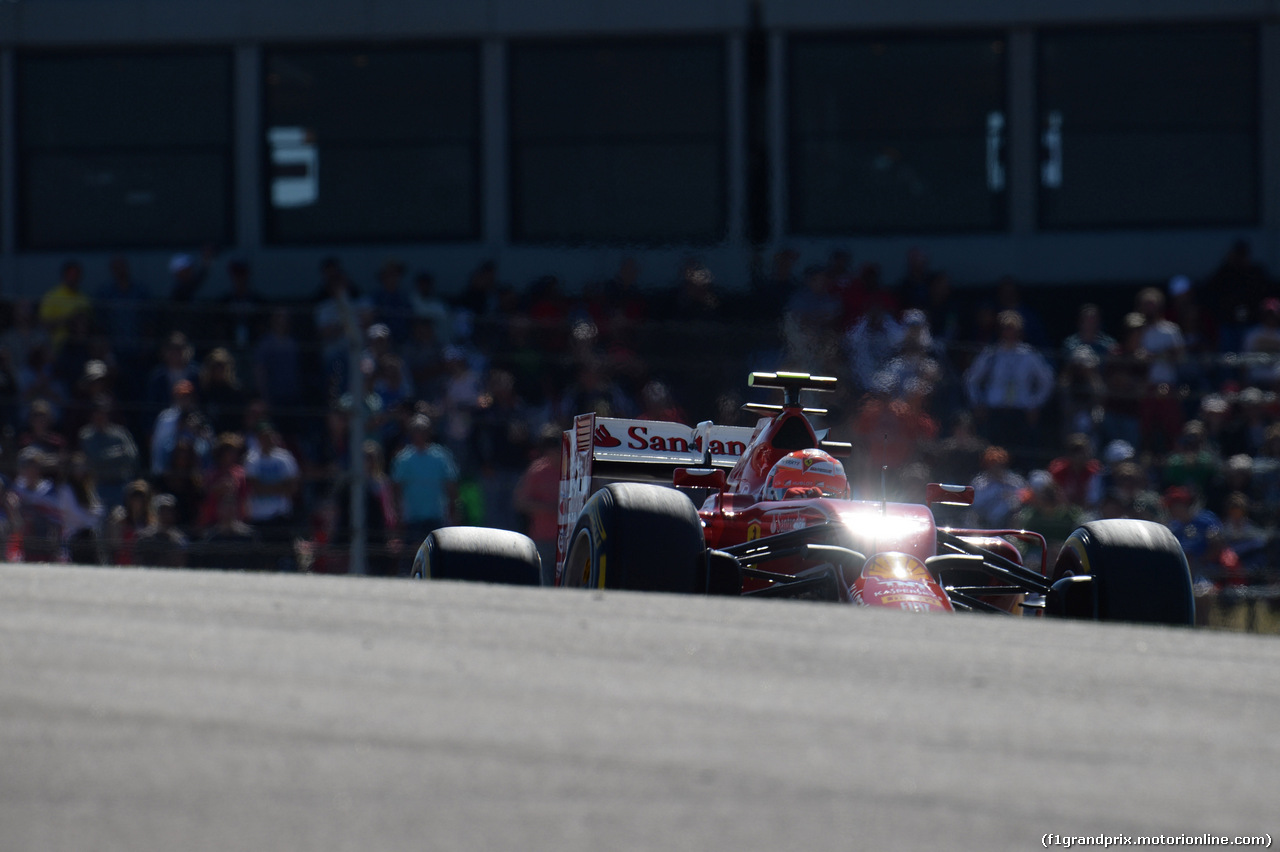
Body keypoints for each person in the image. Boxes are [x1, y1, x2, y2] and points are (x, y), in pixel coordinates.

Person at [963, 310, 1054, 465]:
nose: (1009, 332)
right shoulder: (991, 354)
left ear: (1019, 331)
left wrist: (1035, 404)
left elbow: (1047, 380)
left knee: (1020, 454)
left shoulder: (1029, 355)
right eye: (1006, 328)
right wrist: (977, 402)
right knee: (993, 452)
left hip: (1020, 412)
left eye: (1013, 328)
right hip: (995, 412)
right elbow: (971, 379)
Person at [391, 414, 459, 574]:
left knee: (436, 554)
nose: (419, 434)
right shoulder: (403, 459)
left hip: (435, 515)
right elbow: (396, 488)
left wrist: (453, 508)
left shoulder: (441, 456)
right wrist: (398, 513)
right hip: (412, 517)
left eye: (423, 430)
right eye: (416, 430)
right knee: (410, 555)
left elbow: (450, 484)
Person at [244, 421, 300, 571]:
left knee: (285, 557)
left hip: (280, 516)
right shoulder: (252, 459)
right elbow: (255, 488)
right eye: (263, 436)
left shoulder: (285, 458)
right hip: (259, 517)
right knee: (262, 559)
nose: (267, 440)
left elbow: (293, 487)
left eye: (270, 436)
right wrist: (280, 487)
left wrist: (267, 487)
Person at [513, 424, 563, 586]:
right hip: (544, 537)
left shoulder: (574, 468)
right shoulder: (537, 471)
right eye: (549, 448)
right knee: (544, 581)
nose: (553, 452)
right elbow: (521, 502)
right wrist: (547, 508)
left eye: (556, 447)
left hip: (569, 537)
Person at [39, 260, 92, 353]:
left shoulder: (84, 299)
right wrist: (68, 321)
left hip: (82, 346)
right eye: (70, 274)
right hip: (59, 347)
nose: (73, 278)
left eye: (76, 275)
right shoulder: (52, 297)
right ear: (64, 275)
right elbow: (43, 325)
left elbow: (90, 324)